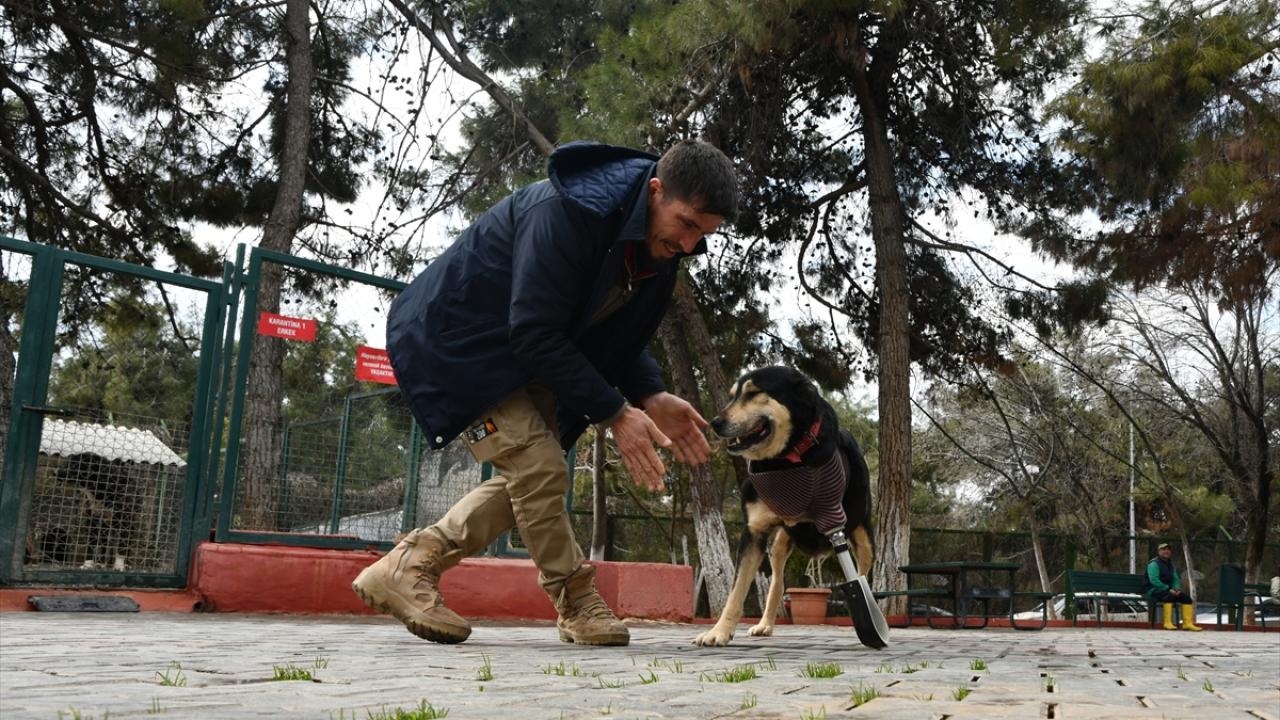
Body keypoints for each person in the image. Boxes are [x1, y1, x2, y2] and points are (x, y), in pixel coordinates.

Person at [352, 140, 738, 646]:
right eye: (687, 224)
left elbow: (617, 337)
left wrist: (649, 394)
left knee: (533, 479)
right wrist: (614, 413)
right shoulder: (567, 212)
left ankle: (408, 564)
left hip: (524, 351)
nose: (690, 245)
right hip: (459, 343)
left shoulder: (658, 246)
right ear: (656, 190)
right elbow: (533, 331)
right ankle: (577, 601)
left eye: (703, 235)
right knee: (538, 468)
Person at [1143, 542, 1202, 631]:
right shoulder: (1153, 564)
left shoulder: (1170, 564)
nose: (1166, 551)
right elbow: (1154, 580)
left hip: (1169, 590)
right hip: (1153, 590)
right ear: (1159, 551)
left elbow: (1176, 579)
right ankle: (1167, 623)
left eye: (1168, 549)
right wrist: (1168, 589)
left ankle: (1187, 624)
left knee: (1187, 599)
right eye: (1163, 549)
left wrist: (1176, 588)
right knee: (1169, 597)